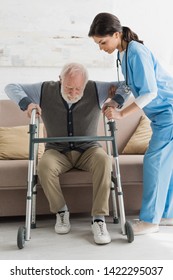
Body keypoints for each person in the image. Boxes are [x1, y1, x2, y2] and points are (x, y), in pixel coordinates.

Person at [5, 62, 127, 244]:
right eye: (69, 87)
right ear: (60, 80)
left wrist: (114, 101)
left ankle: (99, 219)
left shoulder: (95, 88)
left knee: (104, 161)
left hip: (89, 149)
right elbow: (10, 87)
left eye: (78, 88)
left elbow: (128, 85)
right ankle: (61, 211)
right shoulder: (44, 89)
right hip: (56, 150)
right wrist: (28, 104)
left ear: (85, 83)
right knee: (44, 167)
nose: (73, 92)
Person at [88, 12, 173, 236]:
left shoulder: (137, 52)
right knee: (166, 166)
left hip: (169, 113)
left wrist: (122, 114)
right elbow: (128, 85)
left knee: (154, 163)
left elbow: (150, 92)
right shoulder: (123, 54)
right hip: (162, 116)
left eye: (102, 42)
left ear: (116, 34)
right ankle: (167, 215)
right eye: (97, 43)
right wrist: (115, 101)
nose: (101, 47)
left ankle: (149, 221)